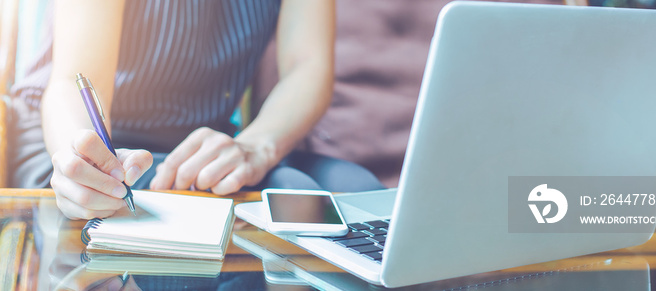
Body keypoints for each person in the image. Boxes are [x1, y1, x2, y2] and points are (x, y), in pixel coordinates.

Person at [9, 0, 384, 220]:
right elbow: (72, 82)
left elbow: (308, 67)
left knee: (357, 195)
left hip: (199, 145)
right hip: (88, 143)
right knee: (293, 196)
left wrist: (255, 147)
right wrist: (78, 156)